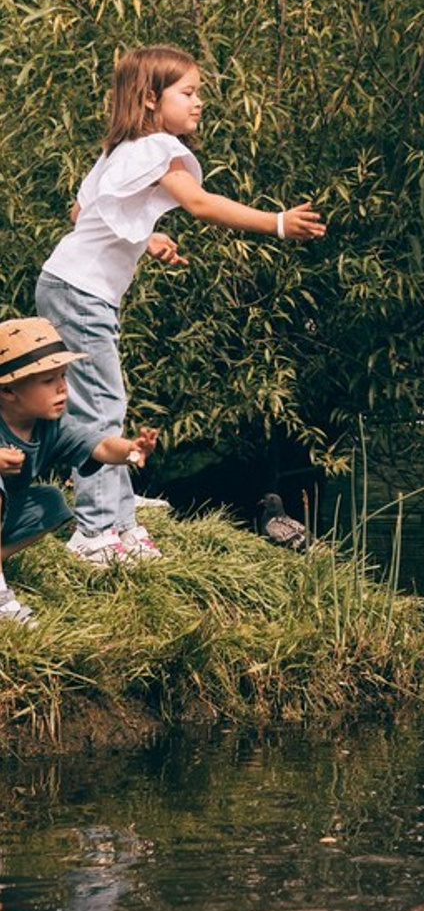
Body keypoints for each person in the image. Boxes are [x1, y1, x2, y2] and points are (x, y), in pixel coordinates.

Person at [35, 45, 326, 563]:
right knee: (100, 406)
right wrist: (277, 222)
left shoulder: (120, 149)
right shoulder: (156, 147)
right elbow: (199, 203)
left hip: (70, 285)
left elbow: (83, 212)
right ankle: (94, 531)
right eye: (188, 92)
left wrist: (144, 237)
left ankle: (120, 519)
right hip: (80, 292)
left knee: (104, 400)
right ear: (151, 98)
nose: (199, 102)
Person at [0, 317, 160, 623]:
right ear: (8, 391)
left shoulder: (52, 426)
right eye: (48, 381)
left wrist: (131, 451)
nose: (63, 387)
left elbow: (100, 445)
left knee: (52, 502)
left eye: (63, 376)